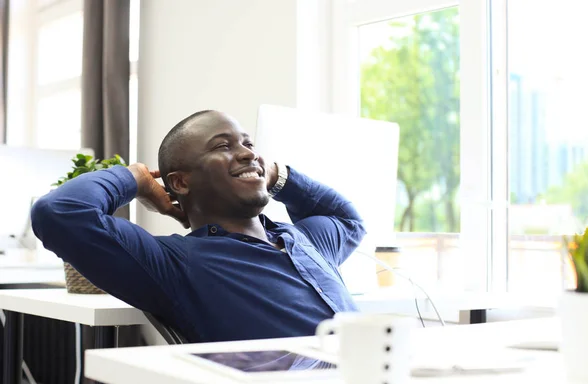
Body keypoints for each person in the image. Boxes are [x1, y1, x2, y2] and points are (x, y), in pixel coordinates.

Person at [31, 110, 366, 343]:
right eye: (223, 146)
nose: (247, 153)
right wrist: (136, 179)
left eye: (248, 144)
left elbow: (349, 221)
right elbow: (60, 212)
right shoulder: (177, 264)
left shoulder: (306, 240)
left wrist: (273, 173)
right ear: (181, 181)